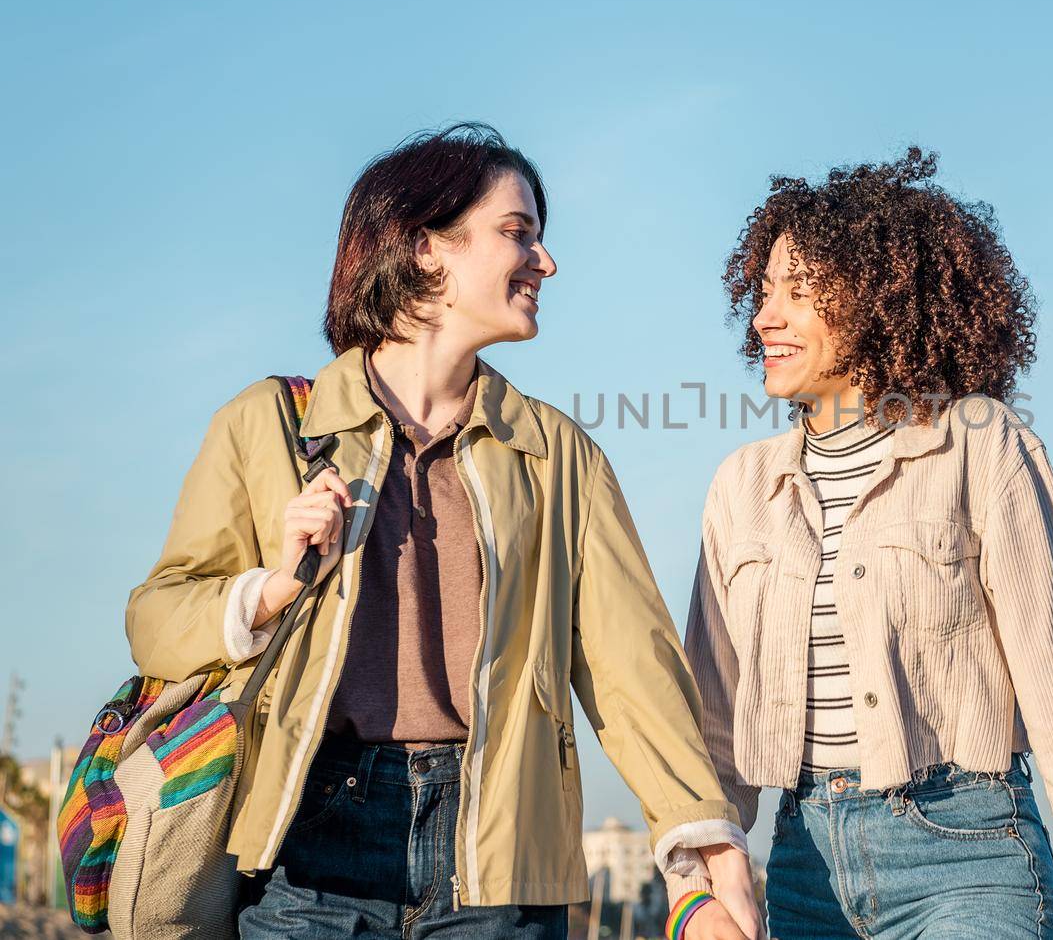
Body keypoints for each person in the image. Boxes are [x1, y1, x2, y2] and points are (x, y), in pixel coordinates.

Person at [125, 124, 760, 939]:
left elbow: (634, 669)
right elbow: (155, 616)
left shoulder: (557, 453)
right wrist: (269, 591)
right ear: (427, 249)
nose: (545, 261)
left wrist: (703, 853)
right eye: (517, 232)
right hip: (310, 849)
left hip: (499, 859)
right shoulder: (269, 425)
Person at [682, 149, 1053, 939]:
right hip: (804, 870)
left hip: (971, 856)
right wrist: (699, 887)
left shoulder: (980, 444)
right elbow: (709, 722)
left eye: (798, 292)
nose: (765, 316)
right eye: (764, 291)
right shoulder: (741, 486)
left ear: (883, 299)